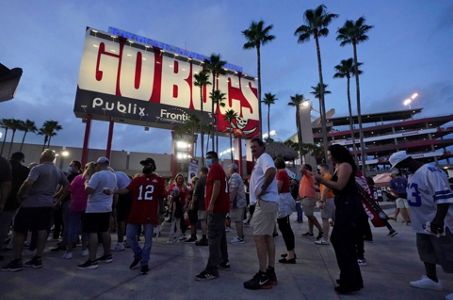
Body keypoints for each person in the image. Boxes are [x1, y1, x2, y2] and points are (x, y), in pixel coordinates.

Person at [389, 151, 453, 295]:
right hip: (422, 222)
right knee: (426, 252)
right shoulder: (412, 175)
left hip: (437, 220)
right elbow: (419, 194)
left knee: (448, 252)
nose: (399, 170)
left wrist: (438, 219)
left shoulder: (430, 171)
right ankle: (432, 279)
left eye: (399, 166)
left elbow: (443, 197)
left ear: (407, 161)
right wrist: (400, 195)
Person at [2, 149, 68, 271]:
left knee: (19, 230)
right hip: (47, 204)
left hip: (31, 203)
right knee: (42, 230)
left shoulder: (37, 168)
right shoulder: (58, 171)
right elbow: (67, 185)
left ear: (43, 156)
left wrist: (20, 194)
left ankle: (17, 259)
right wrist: (57, 198)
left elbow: (28, 182)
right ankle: (37, 258)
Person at [315, 144, 363, 294]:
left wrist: (321, 180)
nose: (328, 157)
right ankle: (349, 277)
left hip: (348, 203)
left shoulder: (345, 166)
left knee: (341, 240)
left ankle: (350, 281)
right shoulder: (338, 166)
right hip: (343, 204)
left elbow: (340, 186)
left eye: (330, 154)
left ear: (337, 154)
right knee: (340, 240)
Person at [117, 157, 166, 275]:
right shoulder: (137, 180)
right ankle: (138, 254)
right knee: (129, 236)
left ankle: (144, 263)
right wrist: (114, 191)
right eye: (144, 165)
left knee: (148, 240)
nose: (145, 167)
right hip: (136, 212)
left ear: (153, 166)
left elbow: (160, 198)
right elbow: (127, 190)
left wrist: (161, 213)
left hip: (149, 213)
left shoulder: (159, 180)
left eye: (148, 164)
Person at [243, 138, 279, 290]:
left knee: (259, 236)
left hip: (265, 202)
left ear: (263, 147)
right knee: (267, 236)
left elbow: (271, 171)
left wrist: (262, 189)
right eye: (251, 148)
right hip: (268, 202)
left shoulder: (265, 157)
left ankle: (263, 274)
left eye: (255, 147)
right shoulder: (261, 160)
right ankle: (270, 272)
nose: (253, 150)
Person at [195, 151, 230, 281]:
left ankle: (212, 269)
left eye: (208, 158)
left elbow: (217, 185)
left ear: (213, 159)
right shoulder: (219, 169)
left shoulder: (215, 168)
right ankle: (223, 260)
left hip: (216, 209)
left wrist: (211, 204)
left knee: (213, 237)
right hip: (220, 208)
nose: (207, 160)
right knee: (220, 236)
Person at [78, 156, 117, 270]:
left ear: (99, 164)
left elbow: (89, 190)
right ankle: (107, 255)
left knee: (92, 233)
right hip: (106, 208)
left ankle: (92, 259)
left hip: (94, 208)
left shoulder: (97, 175)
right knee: (105, 231)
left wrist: (86, 183)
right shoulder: (112, 175)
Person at [62, 162, 95, 259]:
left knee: (72, 228)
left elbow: (69, 190)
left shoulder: (78, 178)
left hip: (75, 204)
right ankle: (84, 249)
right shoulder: (94, 179)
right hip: (88, 207)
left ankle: (69, 251)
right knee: (85, 229)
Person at [52, 160, 82, 252]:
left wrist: (57, 199)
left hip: (69, 201)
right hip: (77, 202)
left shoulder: (71, 176)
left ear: (76, 166)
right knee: (74, 223)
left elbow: (66, 190)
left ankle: (65, 242)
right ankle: (74, 240)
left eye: (71, 165)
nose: (69, 167)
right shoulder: (80, 176)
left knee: (67, 224)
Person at [0, 153, 25, 257]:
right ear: (22, 159)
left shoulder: (6, 162)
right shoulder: (3, 162)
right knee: (3, 227)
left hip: (7, 200)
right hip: (11, 201)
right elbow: (7, 184)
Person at [274, 158, 297, 264]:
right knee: (286, 227)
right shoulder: (284, 173)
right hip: (284, 200)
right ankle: (290, 251)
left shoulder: (281, 173)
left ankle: (291, 255)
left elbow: (278, 188)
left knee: (284, 228)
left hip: (282, 202)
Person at [299, 164, 323, 239]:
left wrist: (304, 168)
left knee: (309, 215)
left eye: (302, 167)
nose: (300, 167)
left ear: (306, 169)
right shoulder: (305, 176)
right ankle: (310, 232)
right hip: (306, 198)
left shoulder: (308, 174)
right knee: (309, 216)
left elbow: (302, 170)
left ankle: (321, 230)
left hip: (308, 198)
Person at [112, 170, 132, 251]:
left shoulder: (113, 177)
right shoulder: (121, 173)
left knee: (121, 221)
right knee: (127, 220)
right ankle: (129, 240)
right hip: (130, 195)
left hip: (123, 196)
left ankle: (120, 243)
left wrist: (114, 207)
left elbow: (116, 194)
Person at [315, 164, 335, 246]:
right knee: (334, 219)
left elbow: (325, 190)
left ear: (324, 169)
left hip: (327, 199)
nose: (319, 171)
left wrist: (322, 201)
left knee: (325, 219)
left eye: (320, 169)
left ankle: (325, 239)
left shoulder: (326, 177)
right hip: (331, 199)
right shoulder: (329, 176)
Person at [227, 163, 246, 244]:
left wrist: (230, 201)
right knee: (239, 220)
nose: (227, 170)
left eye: (228, 169)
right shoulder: (237, 176)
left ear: (231, 169)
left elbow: (234, 189)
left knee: (238, 220)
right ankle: (240, 236)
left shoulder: (234, 176)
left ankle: (240, 238)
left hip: (237, 202)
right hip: (240, 202)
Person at [167, 173, 187, 243]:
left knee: (178, 223)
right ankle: (172, 237)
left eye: (181, 179)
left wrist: (185, 206)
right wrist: (170, 207)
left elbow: (186, 197)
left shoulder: (184, 187)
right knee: (174, 222)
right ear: (176, 179)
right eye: (179, 178)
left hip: (181, 206)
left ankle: (176, 237)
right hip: (175, 206)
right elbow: (171, 197)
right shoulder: (173, 187)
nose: (180, 180)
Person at [194, 167, 209, 246]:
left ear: (201, 172)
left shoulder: (199, 180)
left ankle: (204, 237)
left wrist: (193, 205)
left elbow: (195, 194)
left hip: (202, 204)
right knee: (209, 221)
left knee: (203, 221)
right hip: (210, 203)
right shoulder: (210, 179)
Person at [184, 176, 199, 243]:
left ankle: (193, 236)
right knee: (194, 222)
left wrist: (187, 209)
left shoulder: (192, 190)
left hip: (192, 208)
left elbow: (190, 201)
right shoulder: (199, 189)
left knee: (192, 223)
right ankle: (194, 235)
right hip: (197, 207)